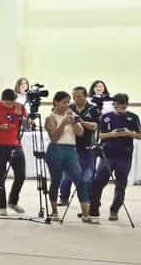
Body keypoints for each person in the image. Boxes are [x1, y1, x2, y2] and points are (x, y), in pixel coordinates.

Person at [44, 91, 95, 224]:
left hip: (71, 150)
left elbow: (80, 133)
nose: (66, 105)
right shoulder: (50, 117)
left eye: (68, 102)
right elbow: (54, 137)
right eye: (63, 102)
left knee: (80, 180)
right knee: (56, 180)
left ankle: (85, 214)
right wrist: (64, 123)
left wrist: (73, 122)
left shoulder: (72, 114)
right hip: (56, 149)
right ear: (56, 102)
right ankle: (54, 211)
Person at [59, 86, 103, 220]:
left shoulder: (93, 109)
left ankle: (87, 207)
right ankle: (64, 198)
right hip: (70, 146)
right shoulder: (68, 108)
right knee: (66, 176)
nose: (76, 98)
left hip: (88, 148)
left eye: (79, 96)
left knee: (87, 178)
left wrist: (80, 121)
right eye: (74, 96)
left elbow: (95, 126)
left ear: (85, 96)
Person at [0, 88, 27, 213]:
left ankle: (13, 201)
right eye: (6, 102)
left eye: (11, 102)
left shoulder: (20, 108)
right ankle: (1, 206)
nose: (9, 105)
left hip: (16, 145)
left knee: (21, 175)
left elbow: (27, 126)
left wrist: (20, 115)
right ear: (2, 100)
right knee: (0, 176)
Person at [95, 93, 139, 221]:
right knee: (99, 182)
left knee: (121, 184)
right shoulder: (105, 117)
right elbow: (100, 136)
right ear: (114, 105)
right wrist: (112, 134)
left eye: (123, 107)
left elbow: (139, 135)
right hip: (107, 155)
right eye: (118, 107)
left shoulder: (133, 117)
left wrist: (129, 133)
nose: (121, 110)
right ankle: (94, 207)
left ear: (127, 105)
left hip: (125, 156)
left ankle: (114, 210)